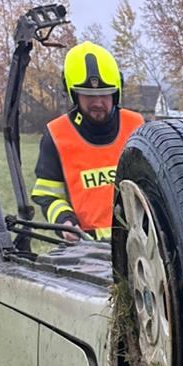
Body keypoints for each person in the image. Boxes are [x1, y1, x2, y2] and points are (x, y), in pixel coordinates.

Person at [31, 42, 144, 240]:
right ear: (73, 94)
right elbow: (48, 195)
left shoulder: (138, 127)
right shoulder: (56, 135)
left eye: (104, 94)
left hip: (141, 243)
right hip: (86, 248)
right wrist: (65, 221)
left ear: (116, 92)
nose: (97, 102)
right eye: (88, 96)